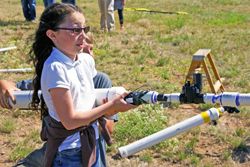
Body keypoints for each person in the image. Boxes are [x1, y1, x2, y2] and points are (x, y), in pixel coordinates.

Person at [30, 3, 135, 166]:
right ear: (52, 35)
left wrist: (110, 101)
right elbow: (70, 121)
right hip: (69, 152)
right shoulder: (55, 68)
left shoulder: (85, 60)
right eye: (75, 30)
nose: (83, 36)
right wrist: (110, 107)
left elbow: (85, 97)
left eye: (84, 29)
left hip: (92, 140)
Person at [0, 29, 118, 167]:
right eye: (82, 51)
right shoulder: (54, 76)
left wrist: (107, 112)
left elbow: (108, 129)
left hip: (88, 153)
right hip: (56, 150)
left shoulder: (100, 81)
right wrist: (3, 85)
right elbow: (14, 85)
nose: (88, 55)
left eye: (91, 49)